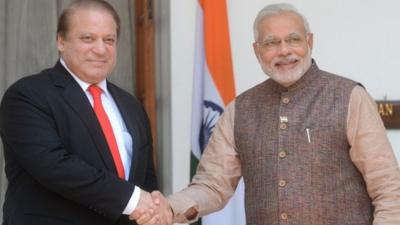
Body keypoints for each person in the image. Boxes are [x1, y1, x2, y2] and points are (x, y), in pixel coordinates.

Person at [134, 2, 400, 225]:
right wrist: (169, 207)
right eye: (271, 43)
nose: (284, 51)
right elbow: (212, 185)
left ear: (309, 42)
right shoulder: (241, 109)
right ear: (257, 50)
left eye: (293, 39)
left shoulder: (350, 97)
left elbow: (388, 188)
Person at [0, 0, 161, 224]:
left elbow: (146, 180)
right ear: (61, 41)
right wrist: (134, 199)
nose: (100, 49)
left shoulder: (131, 105)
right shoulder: (27, 96)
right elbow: (55, 166)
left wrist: (155, 207)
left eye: (109, 40)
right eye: (88, 38)